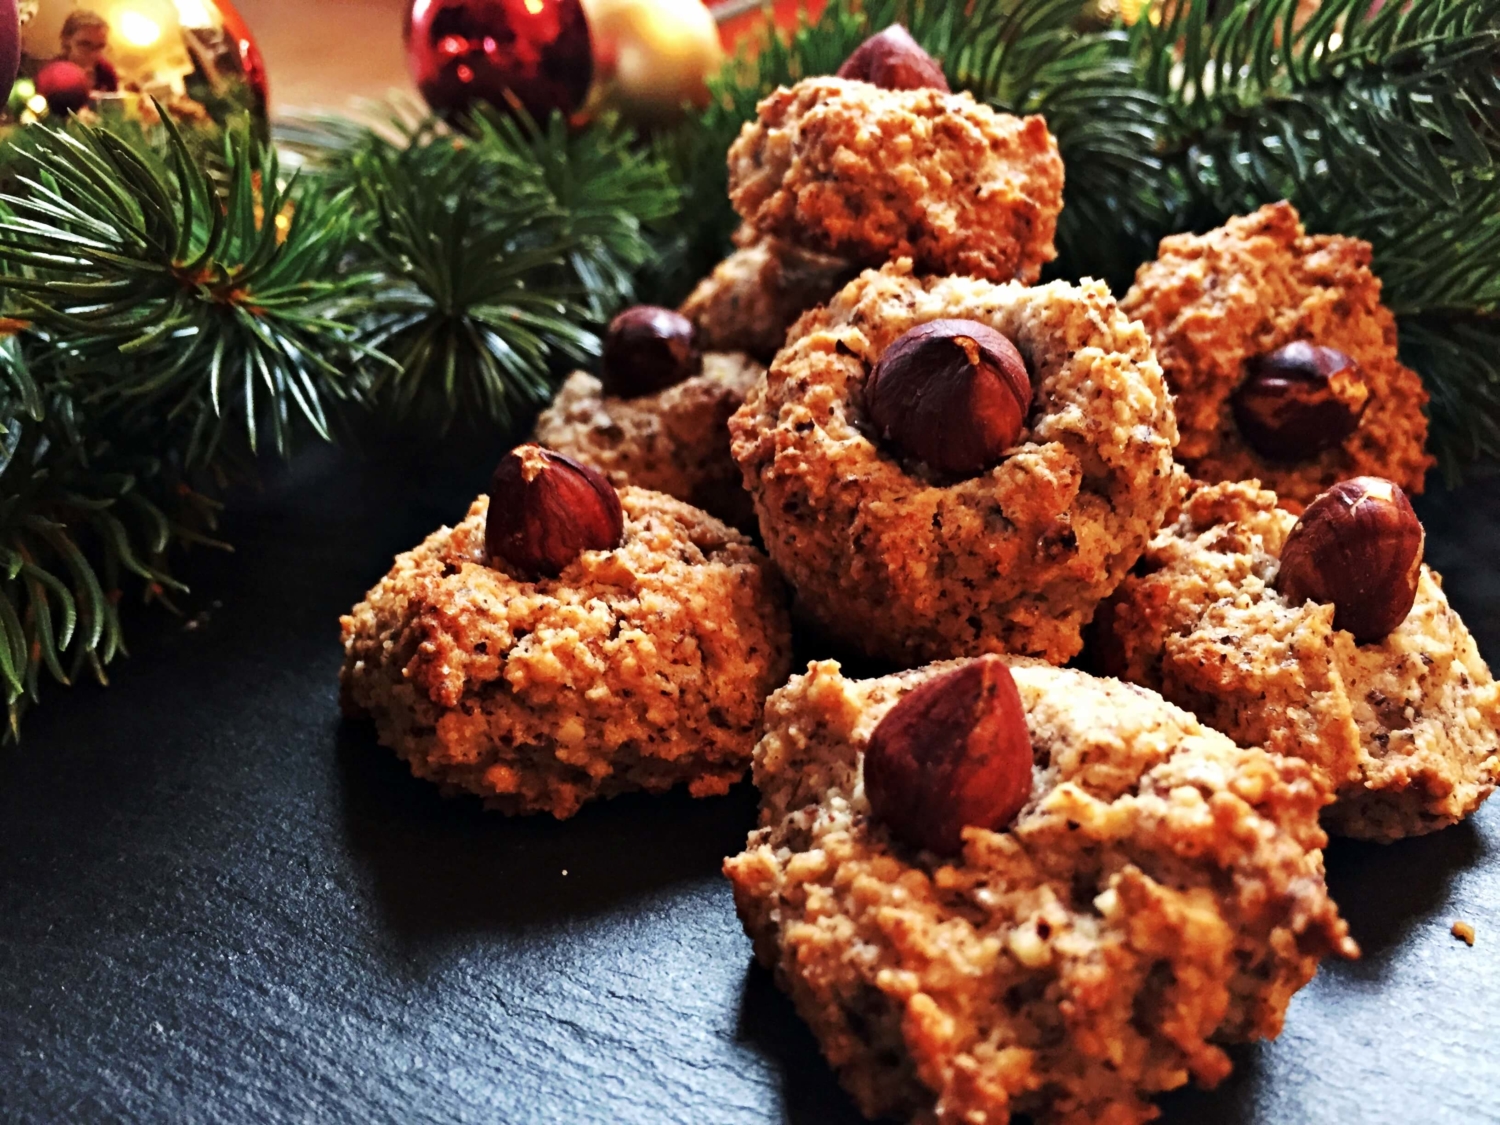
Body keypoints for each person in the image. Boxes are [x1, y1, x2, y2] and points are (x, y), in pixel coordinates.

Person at [58, 10, 119, 93]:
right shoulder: (52, 74)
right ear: (67, 40)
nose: (93, 54)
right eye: (85, 44)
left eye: (100, 46)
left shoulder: (106, 73)